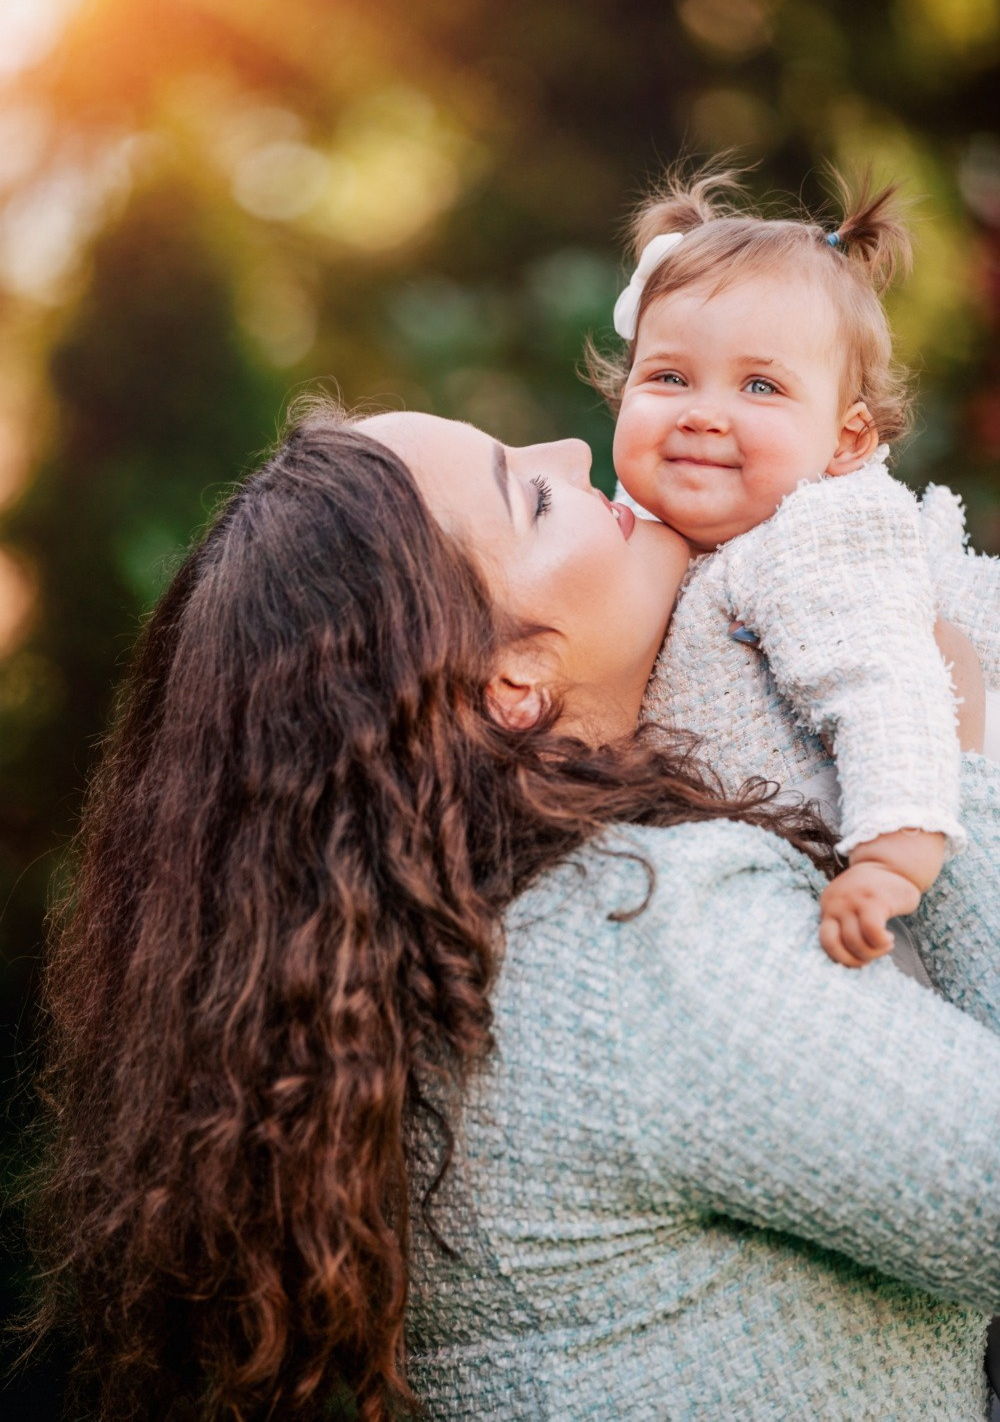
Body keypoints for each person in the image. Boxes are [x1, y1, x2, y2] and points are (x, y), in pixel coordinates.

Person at [29, 402, 1000, 1421]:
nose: (577, 451)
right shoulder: (640, 937)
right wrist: (953, 756)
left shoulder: (417, 981)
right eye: (532, 497)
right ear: (510, 681)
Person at [604, 169, 1000, 967]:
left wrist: (893, 854)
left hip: (896, 853)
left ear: (846, 443)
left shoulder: (814, 536)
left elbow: (887, 683)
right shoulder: (651, 534)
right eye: (668, 377)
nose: (703, 412)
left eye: (760, 385)